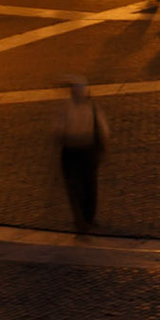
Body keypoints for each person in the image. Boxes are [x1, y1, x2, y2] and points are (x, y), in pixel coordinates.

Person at [53, 76, 109, 234]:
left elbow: (58, 130)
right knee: (88, 185)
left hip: (73, 151)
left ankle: (82, 219)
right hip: (86, 150)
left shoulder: (67, 107)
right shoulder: (91, 107)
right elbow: (103, 129)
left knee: (77, 186)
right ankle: (86, 218)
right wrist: (103, 147)